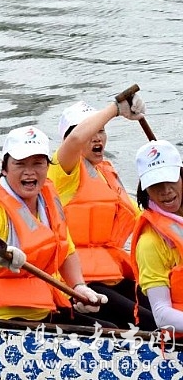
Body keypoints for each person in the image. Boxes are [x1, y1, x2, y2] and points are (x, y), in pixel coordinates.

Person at [0, 126, 110, 326]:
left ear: (47, 166)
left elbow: (66, 251)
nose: (29, 172)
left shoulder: (49, 201)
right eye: (20, 164)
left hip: (39, 311)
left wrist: (79, 286)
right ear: (5, 169)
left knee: (108, 328)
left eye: (38, 163)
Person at [48, 97, 155, 330]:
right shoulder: (63, 171)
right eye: (91, 132)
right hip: (78, 283)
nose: (97, 137)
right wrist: (116, 109)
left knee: (163, 308)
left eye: (102, 131)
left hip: (111, 275)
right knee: (151, 323)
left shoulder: (106, 173)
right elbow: (75, 140)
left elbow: (144, 219)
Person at [131, 140, 183, 331]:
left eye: (170, 180)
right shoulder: (149, 243)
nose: (165, 191)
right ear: (145, 190)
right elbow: (161, 315)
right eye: (155, 184)